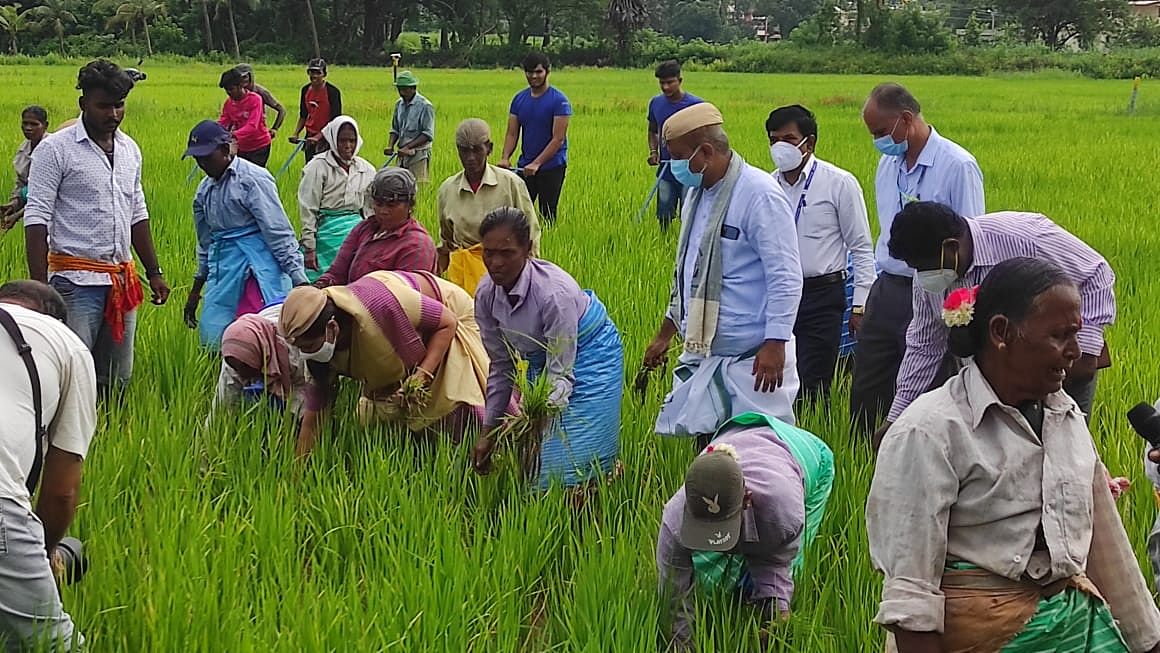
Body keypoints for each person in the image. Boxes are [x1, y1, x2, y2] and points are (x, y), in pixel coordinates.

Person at [867, 257, 1160, 653]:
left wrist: (1147, 641)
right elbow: (911, 589)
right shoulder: (932, 431)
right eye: (1059, 335)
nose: (1075, 351)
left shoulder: (1066, 417)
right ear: (1001, 332)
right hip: (979, 635)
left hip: (1072, 628)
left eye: (1078, 334)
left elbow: (1106, 546)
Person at [641, 103, 802, 447]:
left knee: (754, 458)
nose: (676, 166)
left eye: (681, 156)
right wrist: (666, 332)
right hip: (706, 354)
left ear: (707, 151)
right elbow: (687, 272)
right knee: (711, 462)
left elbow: (785, 276)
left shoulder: (759, 194)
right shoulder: (696, 195)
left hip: (752, 362)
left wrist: (776, 344)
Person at [881, 202, 1114, 437]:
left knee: (1065, 453)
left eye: (923, 266)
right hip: (996, 386)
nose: (921, 276)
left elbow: (1095, 272)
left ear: (950, 247)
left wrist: (1084, 350)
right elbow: (924, 347)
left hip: (1058, 371)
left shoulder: (1025, 237)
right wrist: (897, 419)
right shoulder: (928, 282)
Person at [24, 59, 170, 391]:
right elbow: (36, 219)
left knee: (117, 378)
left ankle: (110, 431)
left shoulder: (129, 149)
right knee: (72, 375)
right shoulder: (55, 150)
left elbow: (137, 213)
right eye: (104, 106)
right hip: (74, 284)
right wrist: (40, 289)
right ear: (83, 104)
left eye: (119, 105)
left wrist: (154, 271)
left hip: (121, 280)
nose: (114, 114)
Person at [850, 82, 985, 434]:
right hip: (888, 288)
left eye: (880, 131)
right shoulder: (887, 164)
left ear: (906, 119)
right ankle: (866, 459)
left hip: (934, 287)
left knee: (931, 384)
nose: (877, 140)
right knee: (869, 381)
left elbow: (971, 240)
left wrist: (959, 309)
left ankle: (926, 457)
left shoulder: (957, 165)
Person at [470, 207, 622, 490]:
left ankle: (597, 496)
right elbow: (502, 367)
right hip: (544, 360)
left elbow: (560, 371)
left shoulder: (554, 294)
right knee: (535, 464)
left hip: (591, 352)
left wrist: (535, 417)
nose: (495, 263)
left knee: (573, 460)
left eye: (507, 253)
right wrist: (488, 431)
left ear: (528, 249)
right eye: (488, 253)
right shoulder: (486, 294)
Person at [656, 412, 833, 652]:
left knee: (786, 574)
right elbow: (674, 597)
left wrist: (776, 615)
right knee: (710, 581)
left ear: (747, 500)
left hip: (806, 459)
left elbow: (776, 562)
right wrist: (683, 646)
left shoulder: (783, 513)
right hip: (737, 439)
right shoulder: (674, 521)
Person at [279, 270, 489, 457]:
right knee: (380, 417)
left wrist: (422, 374)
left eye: (309, 346)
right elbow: (315, 416)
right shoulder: (319, 354)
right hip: (428, 330)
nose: (306, 353)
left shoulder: (379, 305)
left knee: (450, 398)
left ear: (332, 328)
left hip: (448, 317)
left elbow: (446, 322)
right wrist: (297, 475)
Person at [0, 280, 97, 651]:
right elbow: (61, 491)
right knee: (52, 643)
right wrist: (44, 558)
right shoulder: (65, 343)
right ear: (54, 316)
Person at [767, 104, 874, 407]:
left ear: (809, 143)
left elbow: (862, 248)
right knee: (775, 380)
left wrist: (860, 306)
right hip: (777, 295)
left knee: (813, 382)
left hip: (822, 295)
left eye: (788, 139)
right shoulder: (766, 186)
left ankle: (811, 443)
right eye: (774, 140)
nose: (780, 148)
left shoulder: (838, 183)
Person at [181, 120, 309, 349]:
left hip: (256, 267)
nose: (202, 164)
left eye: (206, 157)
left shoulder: (253, 180)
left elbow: (278, 232)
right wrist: (195, 292)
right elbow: (205, 244)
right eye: (197, 159)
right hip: (223, 269)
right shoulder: (204, 191)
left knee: (259, 336)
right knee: (214, 337)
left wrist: (300, 280)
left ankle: (268, 383)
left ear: (224, 149)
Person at [436, 118, 540, 295]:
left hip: (505, 272)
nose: (470, 158)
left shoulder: (511, 184)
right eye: (464, 151)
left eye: (477, 150)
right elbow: (446, 239)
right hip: (463, 274)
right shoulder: (448, 189)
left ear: (489, 148)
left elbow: (530, 231)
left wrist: (530, 278)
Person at [313, 167, 437, 288]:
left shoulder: (417, 245)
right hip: (350, 301)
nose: (383, 211)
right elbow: (337, 273)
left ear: (410, 205)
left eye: (391, 205)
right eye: (379, 204)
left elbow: (407, 297)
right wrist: (319, 287)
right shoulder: (365, 229)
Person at [298, 115, 376, 283]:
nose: (347, 146)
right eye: (342, 141)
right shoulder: (317, 167)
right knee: (321, 282)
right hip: (326, 230)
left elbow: (370, 210)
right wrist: (309, 247)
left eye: (352, 141)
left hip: (357, 229)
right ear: (333, 140)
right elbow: (308, 208)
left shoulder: (366, 169)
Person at [499, 52, 572, 225]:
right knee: (521, 216)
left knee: (547, 214)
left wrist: (538, 163)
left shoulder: (559, 101)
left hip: (552, 167)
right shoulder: (519, 99)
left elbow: (558, 139)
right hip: (525, 167)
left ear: (547, 72)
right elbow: (512, 133)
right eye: (529, 72)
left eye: (538, 72)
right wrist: (505, 157)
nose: (534, 76)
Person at [211, 302, 309, 419]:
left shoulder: (293, 348)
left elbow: (307, 386)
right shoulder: (234, 356)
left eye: (246, 368)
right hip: (265, 320)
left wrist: (295, 421)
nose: (242, 375)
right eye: (236, 368)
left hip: (294, 315)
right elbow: (222, 402)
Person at [647, 59, 702, 230]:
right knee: (664, 212)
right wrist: (653, 151)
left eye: (670, 82)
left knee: (689, 211)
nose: (665, 87)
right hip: (666, 168)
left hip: (690, 168)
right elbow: (652, 130)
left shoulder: (696, 105)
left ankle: (687, 242)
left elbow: (705, 136)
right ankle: (664, 241)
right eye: (662, 83)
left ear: (680, 80)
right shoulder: (656, 103)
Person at [0, 105, 49, 230]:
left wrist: (17, 216)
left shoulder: (52, 148)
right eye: (25, 123)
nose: (28, 128)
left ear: (45, 126)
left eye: (34, 124)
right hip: (32, 198)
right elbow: (22, 183)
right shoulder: (24, 148)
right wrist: (13, 205)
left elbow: (46, 194)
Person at [384, 71, 435, 183]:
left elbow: (427, 134)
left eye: (405, 89)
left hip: (419, 155)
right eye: (399, 89)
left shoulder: (425, 106)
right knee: (399, 186)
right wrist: (390, 145)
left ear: (413, 88)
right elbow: (395, 129)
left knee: (417, 187)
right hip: (402, 155)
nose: (402, 93)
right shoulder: (399, 104)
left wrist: (409, 147)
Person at [217, 67, 272, 167]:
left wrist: (232, 135)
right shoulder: (229, 103)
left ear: (240, 86)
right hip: (242, 147)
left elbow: (252, 126)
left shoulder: (255, 100)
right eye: (226, 90)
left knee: (254, 176)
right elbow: (223, 122)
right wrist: (214, 131)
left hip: (259, 145)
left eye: (231, 89)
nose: (229, 93)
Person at [291, 58, 342, 162]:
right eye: (311, 72)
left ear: (324, 74)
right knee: (310, 169)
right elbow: (303, 115)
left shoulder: (332, 92)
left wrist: (319, 137)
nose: (314, 76)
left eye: (318, 73)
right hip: (310, 137)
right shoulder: (305, 90)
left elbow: (335, 121)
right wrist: (296, 133)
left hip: (327, 138)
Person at [235, 63, 285, 142]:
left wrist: (274, 128)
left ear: (251, 76)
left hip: (258, 137)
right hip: (240, 136)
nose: (242, 80)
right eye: (238, 78)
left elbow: (281, 110)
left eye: (244, 77)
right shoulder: (235, 93)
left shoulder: (261, 92)